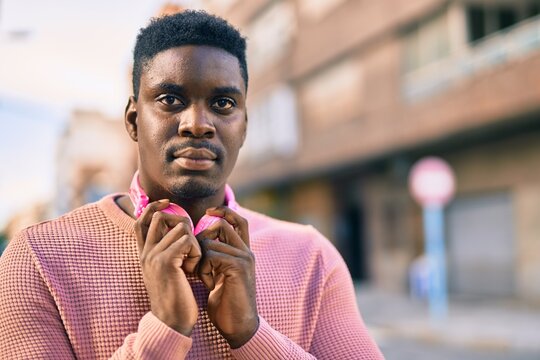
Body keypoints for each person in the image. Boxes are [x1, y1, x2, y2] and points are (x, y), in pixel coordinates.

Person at [0, 10, 384, 359]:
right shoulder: (37, 260)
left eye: (223, 104)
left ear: (244, 126)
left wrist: (251, 333)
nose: (198, 123)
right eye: (170, 99)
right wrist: (164, 329)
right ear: (133, 119)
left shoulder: (312, 258)